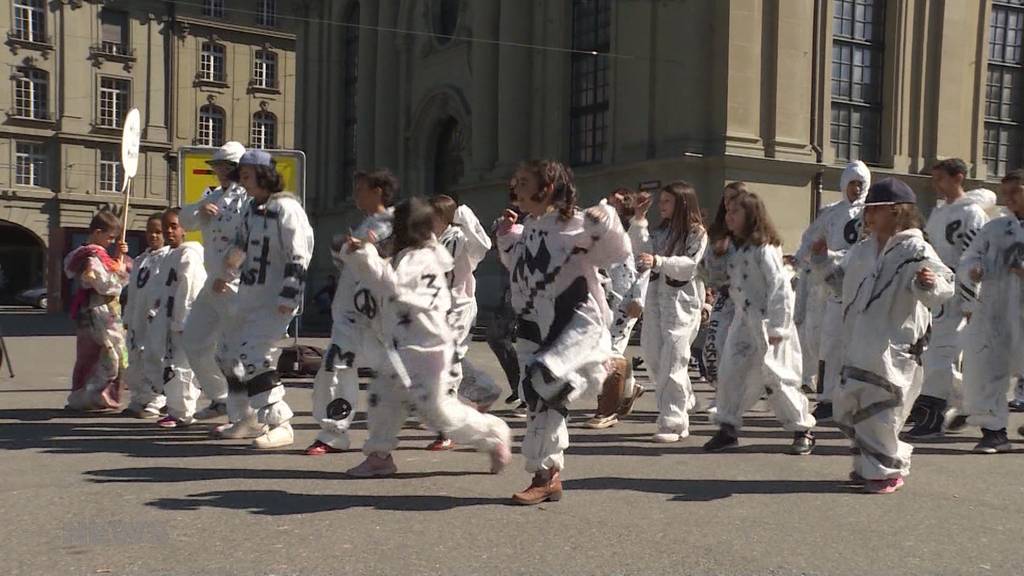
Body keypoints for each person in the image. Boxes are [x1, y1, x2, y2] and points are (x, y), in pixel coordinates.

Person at [340, 197, 513, 477]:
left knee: (440, 412)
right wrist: (361, 252)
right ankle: (379, 455)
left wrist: (364, 254)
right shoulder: (416, 254)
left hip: (426, 349)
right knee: (383, 398)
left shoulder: (418, 258)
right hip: (404, 347)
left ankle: (494, 434)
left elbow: (390, 284)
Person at [497, 160, 630, 505]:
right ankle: (549, 475)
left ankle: (605, 370)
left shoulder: (577, 222)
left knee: (545, 385)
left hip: (570, 319)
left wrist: (608, 219)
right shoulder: (529, 224)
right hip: (533, 322)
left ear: (548, 186)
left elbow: (616, 253)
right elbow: (521, 268)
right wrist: (507, 238)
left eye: (524, 181)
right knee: (537, 395)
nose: (516, 187)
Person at [812, 178, 953, 493]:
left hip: (894, 344)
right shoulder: (861, 250)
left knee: (883, 409)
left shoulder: (916, 249)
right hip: (859, 342)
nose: (869, 216)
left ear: (897, 212)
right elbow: (839, 283)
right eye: (868, 209)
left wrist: (929, 283)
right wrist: (822, 260)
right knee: (849, 406)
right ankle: (869, 464)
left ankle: (885, 470)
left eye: (876, 209)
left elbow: (944, 283)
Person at [214, 150, 315, 449]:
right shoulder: (251, 209)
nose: (242, 183)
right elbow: (240, 245)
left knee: (255, 356)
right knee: (228, 355)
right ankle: (245, 417)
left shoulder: (287, 209)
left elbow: (300, 253)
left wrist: (290, 294)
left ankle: (279, 423)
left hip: (274, 300)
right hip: (248, 296)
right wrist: (226, 273)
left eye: (246, 176)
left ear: (263, 175)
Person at [703, 192, 816, 455]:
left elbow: (780, 288)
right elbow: (716, 278)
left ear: (751, 215)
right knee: (731, 371)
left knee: (777, 376)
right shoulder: (733, 247)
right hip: (744, 319)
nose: (729, 217)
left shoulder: (764, 249)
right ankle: (728, 428)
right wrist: (715, 256)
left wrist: (778, 326)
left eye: (735, 212)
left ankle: (802, 429)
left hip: (766, 320)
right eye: (728, 212)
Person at [304, 170, 395, 456]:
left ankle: (445, 415)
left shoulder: (395, 223)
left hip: (379, 317)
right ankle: (333, 433)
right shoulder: (364, 225)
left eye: (360, 189)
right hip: (350, 316)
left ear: (378, 190)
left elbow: (391, 263)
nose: (355, 194)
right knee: (334, 366)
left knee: (400, 376)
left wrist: (368, 249)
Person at [908, 158, 994, 438]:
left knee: (940, 355)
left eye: (940, 179)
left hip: (960, 295)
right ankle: (968, 404)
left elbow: (976, 261)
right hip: (939, 292)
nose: (935, 185)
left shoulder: (973, 215)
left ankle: (933, 417)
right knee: (933, 354)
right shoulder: (938, 213)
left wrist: (971, 302)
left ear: (957, 178)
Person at [794, 161, 871, 422]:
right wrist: (800, 260)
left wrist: (839, 258)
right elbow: (809, 241)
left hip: (862, 289)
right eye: (852, 183)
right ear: (843, 185)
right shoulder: (831, 214)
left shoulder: (872, 213)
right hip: (832, 288)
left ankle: (857, 399)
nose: (857, 188)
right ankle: (826, 399)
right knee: (828, 344)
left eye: (861, 183)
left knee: (860, 347)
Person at [422, 195, 501, 450]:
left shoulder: (461, 237)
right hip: (437, 309)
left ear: (444, 216)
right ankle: (484, 389)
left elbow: (484, 245)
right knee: (441, 358)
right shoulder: (430, 240)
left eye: (432, 214)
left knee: (445, 361)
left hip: (459, 307)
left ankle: (447, 427)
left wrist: (465, 216)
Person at [630, 182, 707, 442]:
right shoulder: (660, 231)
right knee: (653, 355)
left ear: (681, 203)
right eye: (660, 201)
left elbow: (689, 264)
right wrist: (639, 219)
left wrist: (660, 262)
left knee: (673, 359)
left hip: (682, 304)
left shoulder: (696, 232)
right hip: (655, 300)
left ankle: (674, 422)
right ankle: (685, 397)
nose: (661, 206)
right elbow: (641, 252)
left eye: (666, 201)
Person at [180, 141, 248, 424]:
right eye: (217, 166)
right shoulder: (213, 195)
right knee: (193, 341)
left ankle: (245, 412)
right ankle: (221, 397)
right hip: (213, 283)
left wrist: (229, 274)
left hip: (236, 284)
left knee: (235, 350)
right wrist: (200, 210)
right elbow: (186, 220)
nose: (219, 171)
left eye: (224, 166)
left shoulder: (247, 198)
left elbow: (248, 240)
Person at [961, 170, 1024, 453]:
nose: (1009, 198)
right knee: (991, 369)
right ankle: (994, 431)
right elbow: (971, 256)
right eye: (1006, 192)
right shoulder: (995, 229)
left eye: (1016, 191)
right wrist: (972, 271)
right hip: (996, 310)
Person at [586, 187, 647, 429]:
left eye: (618, 202)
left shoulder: (636, 233)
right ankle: (629, 388)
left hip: (625, 303)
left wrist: (639, 299)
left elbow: (645, 267)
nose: (612, 206)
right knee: (604, 351)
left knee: (608, 354)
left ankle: (607, 410)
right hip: (605, 303)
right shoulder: (603, 236)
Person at [63, 210, 129, 411]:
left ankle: (82, 395)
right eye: (109, 237)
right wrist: (121, 267)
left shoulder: (81, 253)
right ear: (98, 232)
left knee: (87, 355)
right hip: (101, 310)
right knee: (112, 353)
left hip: (89, 310)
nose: (111, 241)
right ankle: (97, 394)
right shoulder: (93, 256)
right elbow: (106, 285)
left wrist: (117, 257)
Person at [147, 209, 206, 428]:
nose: (169, 230)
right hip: (168, 319)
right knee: (170, 365)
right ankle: (175, 408)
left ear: (185, 229)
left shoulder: (189, 254)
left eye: (174, 226)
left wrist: (182, 321)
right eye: (166, 226)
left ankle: (183, 411)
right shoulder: (170, 255)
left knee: (183, 367)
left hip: (183, 321)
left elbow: (190, 289)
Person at [701, 181, 747, 413]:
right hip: (725, 297)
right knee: (716, 345)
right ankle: (722, 394)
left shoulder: (754, 235)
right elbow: (706, 268)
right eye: (727, 199)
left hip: (749, 302)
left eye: (736, 199)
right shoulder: (717, 232)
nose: (730, 204)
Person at [121, 213, 170, 419]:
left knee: (155, 357)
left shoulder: (169, 257)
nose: (153, 236)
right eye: (150, 231)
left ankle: (158, 398)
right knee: (136, 357)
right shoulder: (141, 259)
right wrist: (127, 317)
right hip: (137, 317)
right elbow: (132, 290)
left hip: (157, 316)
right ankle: (139, 396)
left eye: (158, 232)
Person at [487, 179, 524, 416]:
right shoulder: (507, 222)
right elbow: (496, 248)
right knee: (496, 337)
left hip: (535, 292)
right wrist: (503, 230)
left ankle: (526, 392)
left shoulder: (542, 222)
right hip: (514, 289)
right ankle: (519, 387)